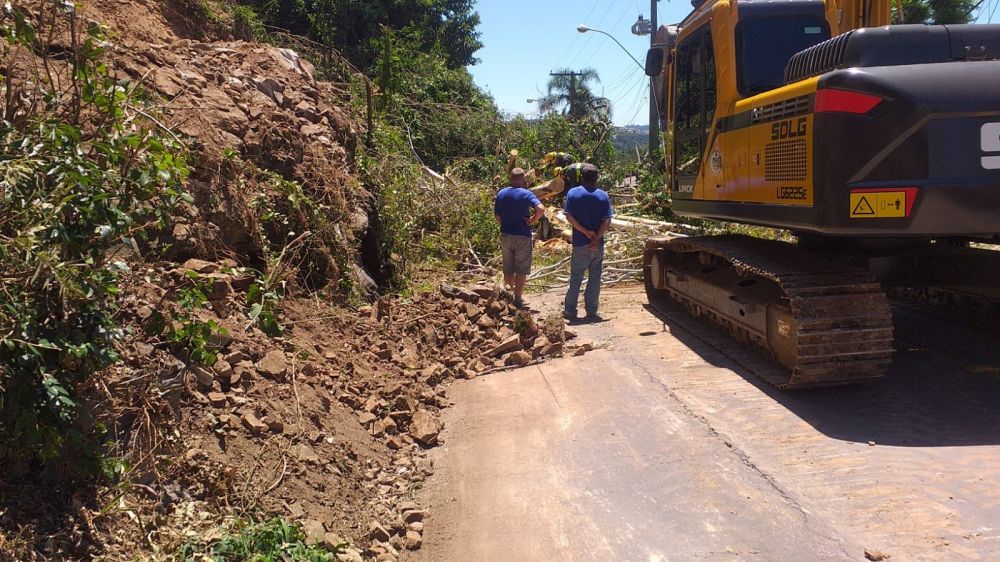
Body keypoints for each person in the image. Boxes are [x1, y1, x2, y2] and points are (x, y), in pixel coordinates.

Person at [563, 164, 613, 322]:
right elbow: (607, 222)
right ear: (596, 178)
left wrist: (585, 232)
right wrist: (596, 238)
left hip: (580, 243)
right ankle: (591, 311)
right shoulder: (603, 196)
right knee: (595, 277)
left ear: (581, 178)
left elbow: (569, 216)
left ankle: (570, 311)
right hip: (596, 246)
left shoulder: (573, 193)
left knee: (576, 276)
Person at [494, 168, 546, 308]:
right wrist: (532, 220)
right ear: (523, 180)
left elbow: (498, 216)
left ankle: (508, 298)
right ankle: (517, 299)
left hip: (506, 234)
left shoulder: (501, 193)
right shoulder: (526, 193)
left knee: (508, 267)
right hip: (522, 235)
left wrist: (506, 223)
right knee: (521, 268)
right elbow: (541, 209)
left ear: (510, 178)